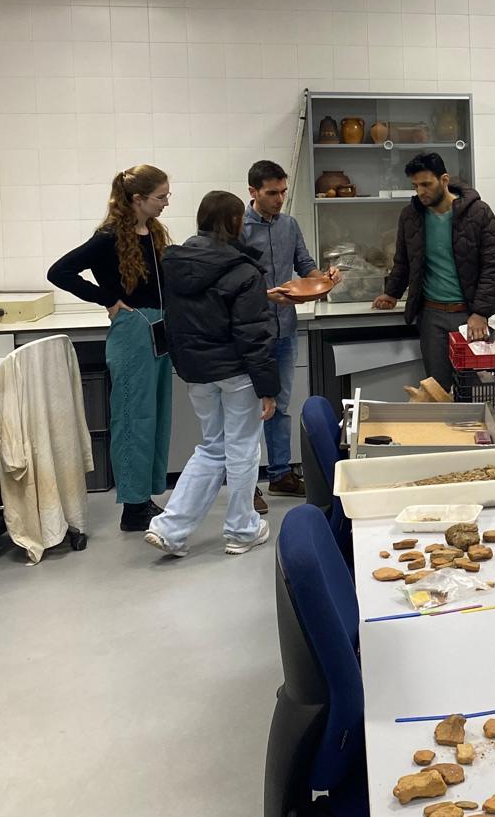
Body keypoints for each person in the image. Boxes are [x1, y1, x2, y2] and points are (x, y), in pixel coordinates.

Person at [145, 192, 279, 558]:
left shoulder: (173, 263)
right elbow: (253, 334)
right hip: (237, 373)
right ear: (236, 222)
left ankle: (171, 529)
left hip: (197, 371)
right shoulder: (243, 270)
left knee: (212, 446)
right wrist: (268, 387)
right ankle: (241, 529)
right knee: (242, 449)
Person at [47, 164, 173, 533]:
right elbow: (60, 272)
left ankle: (145, 496)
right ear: (137, 199)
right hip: (133, 332)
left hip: (160, 329)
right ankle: (133, 508)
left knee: (156, 416)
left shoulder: (154, 231)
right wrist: (108, 298)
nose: (166, 202)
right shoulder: (107, 238)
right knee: (133, 418)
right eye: (161, 196)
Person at [241, 159, 341, 505]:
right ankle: (246, 483)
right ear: (253, 192)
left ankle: (280, 474)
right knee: (250, 408)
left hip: (284, 329)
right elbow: (229, 284)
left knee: (280, 405)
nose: (280, 199)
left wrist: (324, 277)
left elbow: (305, 267)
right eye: (272, 193)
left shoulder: (289, 226)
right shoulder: (238, 229)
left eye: (283, 192)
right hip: (249, 333)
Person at [371, 151, 495, 395]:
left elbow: (493, 266)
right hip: (432, 316)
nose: (421, 191)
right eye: (415, 186)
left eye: (426, 184)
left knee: (479, 389)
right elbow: (403, 261)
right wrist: (392, 293)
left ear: (444, 180)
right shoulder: (411, 216)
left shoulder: (478, 213)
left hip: (470, 315)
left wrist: (480, 312)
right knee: (438, 389)